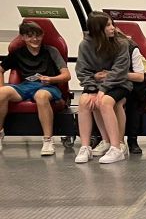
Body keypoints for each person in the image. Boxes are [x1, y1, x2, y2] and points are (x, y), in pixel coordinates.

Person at [0, 21, 71, 156]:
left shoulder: (51, 51)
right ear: (23, 37)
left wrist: (50, 79)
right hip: (26, 86)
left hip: (48, 86)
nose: (35, 39)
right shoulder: (17, 53)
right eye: (30, 36)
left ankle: (48, 140)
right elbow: (1, 69)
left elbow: (66, 75)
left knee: (41, 96)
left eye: (38, 35)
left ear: (42, 35)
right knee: (1, 93)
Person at [74, 11, 130, 164]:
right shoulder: (85, 45)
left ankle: (116, 147)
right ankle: (85, 147)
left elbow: (119, 71)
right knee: (84, 101)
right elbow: (82, 71)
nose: (113, 28)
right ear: (97, 29)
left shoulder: (121, 44)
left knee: (104, 102)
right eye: (108, 26)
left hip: (119, 84)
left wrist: (102, 89)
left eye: (112, 24)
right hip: (95, 84)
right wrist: (93, 89)